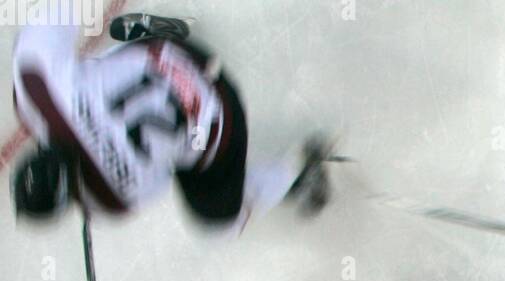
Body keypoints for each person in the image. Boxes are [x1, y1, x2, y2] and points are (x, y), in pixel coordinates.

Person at [10, 12, 329, 233]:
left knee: (218, 217)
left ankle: (297, 179)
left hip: (220, 108)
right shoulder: (36, 87)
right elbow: (56, 13)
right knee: (97, 73)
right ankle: (157, 33)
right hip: (180, 53)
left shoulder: (111, 199)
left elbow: (166, 174)